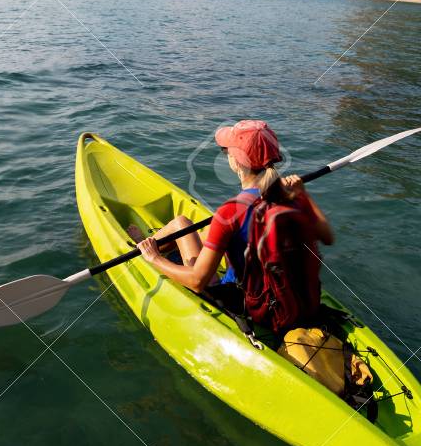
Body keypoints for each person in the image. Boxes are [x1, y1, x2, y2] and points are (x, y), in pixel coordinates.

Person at [133, 120, 333, 332]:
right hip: (299, 305)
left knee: (181, 224)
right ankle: (165, 244)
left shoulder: (230, 212)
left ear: (236, 162)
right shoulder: (295, 198)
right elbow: (327, 238)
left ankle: (146, 247)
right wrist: (303, 194)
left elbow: (197, 282)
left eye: (226, 151)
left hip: (246, 305)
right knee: (212, 233)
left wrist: (154, 259)